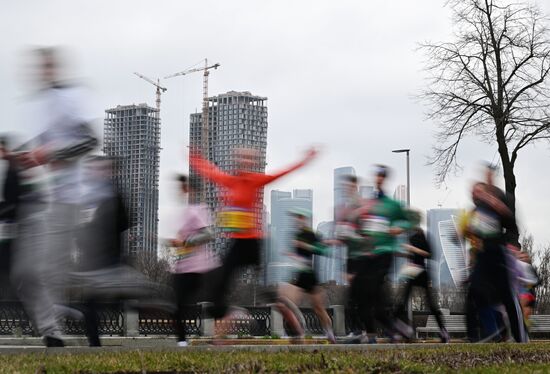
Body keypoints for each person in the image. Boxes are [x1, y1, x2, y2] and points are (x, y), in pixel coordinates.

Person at [12, 47, 98, 347]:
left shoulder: (71, 98)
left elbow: (90, 140)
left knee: (48, 271)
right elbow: (40, 151)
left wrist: (50, 153)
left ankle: (54, 330)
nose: (42, 72)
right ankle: (57, 321)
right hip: (39, 203)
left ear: (56, 68)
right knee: (24, 272)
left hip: (67, 199)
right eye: (39, 67)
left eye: (47, 66)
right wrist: (25, 157)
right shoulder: (39, 104)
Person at [189, 146, 317, 320]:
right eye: (243, 158)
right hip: (236, 242)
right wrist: (195, 158)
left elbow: (281, 173)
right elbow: (209, 171)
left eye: (250, 159)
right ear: (237, 160)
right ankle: (224, 314)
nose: (246, 162)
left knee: (261, 288)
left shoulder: (255, 180)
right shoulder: (229, 181)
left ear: (254, 163)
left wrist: (304, 161)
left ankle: (287, 314)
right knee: (220, 280)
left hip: (252, 242)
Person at [348, 165, 413, 343]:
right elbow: (361, 225)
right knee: (362, 293)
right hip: (369, 254)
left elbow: (409, 221)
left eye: (381, 176)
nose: (378, 179)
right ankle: (391, 329)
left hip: (385, 253)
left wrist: (399, 228)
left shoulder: (392, 205)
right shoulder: (369, 204)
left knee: (374, 291)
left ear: (385, 179)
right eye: (376, 176)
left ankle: (389, 329)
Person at [464, 176, 526, 343]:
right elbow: (476, 233)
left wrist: (500, 207)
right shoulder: (475, 212)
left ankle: (520, 337)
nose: (474, 195)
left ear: (485, 192)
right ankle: (489, 332)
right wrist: (469, 231)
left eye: (477, 191)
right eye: (472, 193)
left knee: (506, 296)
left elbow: (511, 224)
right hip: (482, 256)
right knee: (475, 291)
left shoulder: (494, 205)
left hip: (498, 253)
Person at [167, 174, 219, 347]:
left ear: (190, 189)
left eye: (182, 187)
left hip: (198, 268)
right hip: (183, 266)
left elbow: (209, 234)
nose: (179, 191)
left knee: (184, 305)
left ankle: (184, 341)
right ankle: (182, 342)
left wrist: (185, 241)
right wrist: (176, 243)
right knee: (178, 305)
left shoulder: (198, 209)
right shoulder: (183, 212)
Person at [275, 208, 335, 343]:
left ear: (305, 219)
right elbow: (299, 256)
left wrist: (306, 246)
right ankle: (296, 333)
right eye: (295, 217)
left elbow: (323, 250)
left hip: (310, 275)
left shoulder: (311, 234)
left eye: (299, 217)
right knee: (287, 303)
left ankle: (330, 333)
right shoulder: (296, 235)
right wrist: (291, 255)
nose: (296, 220)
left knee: (319, 308)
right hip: (298, 274)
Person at [395, 210, 449, 343]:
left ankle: (443, 332)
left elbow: (429, 254)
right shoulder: (410, 235)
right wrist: (401, 253)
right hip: (411, 271)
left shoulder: (420, 234)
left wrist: (412, 249)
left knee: (430, 304)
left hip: (421, 271)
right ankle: (404, 330)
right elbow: (412, 255)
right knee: (402, 302)